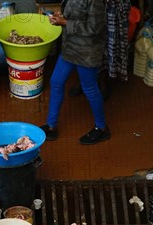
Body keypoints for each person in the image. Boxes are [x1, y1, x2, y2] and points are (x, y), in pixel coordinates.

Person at [40, 1, 111, 145]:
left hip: (87, 52)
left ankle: (102, 128)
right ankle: (51, 126)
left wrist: (65, 22)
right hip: (70, 47)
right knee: (56, 82)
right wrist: (60, 16)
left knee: (89, 89)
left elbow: (95, 27)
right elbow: (73, 13)